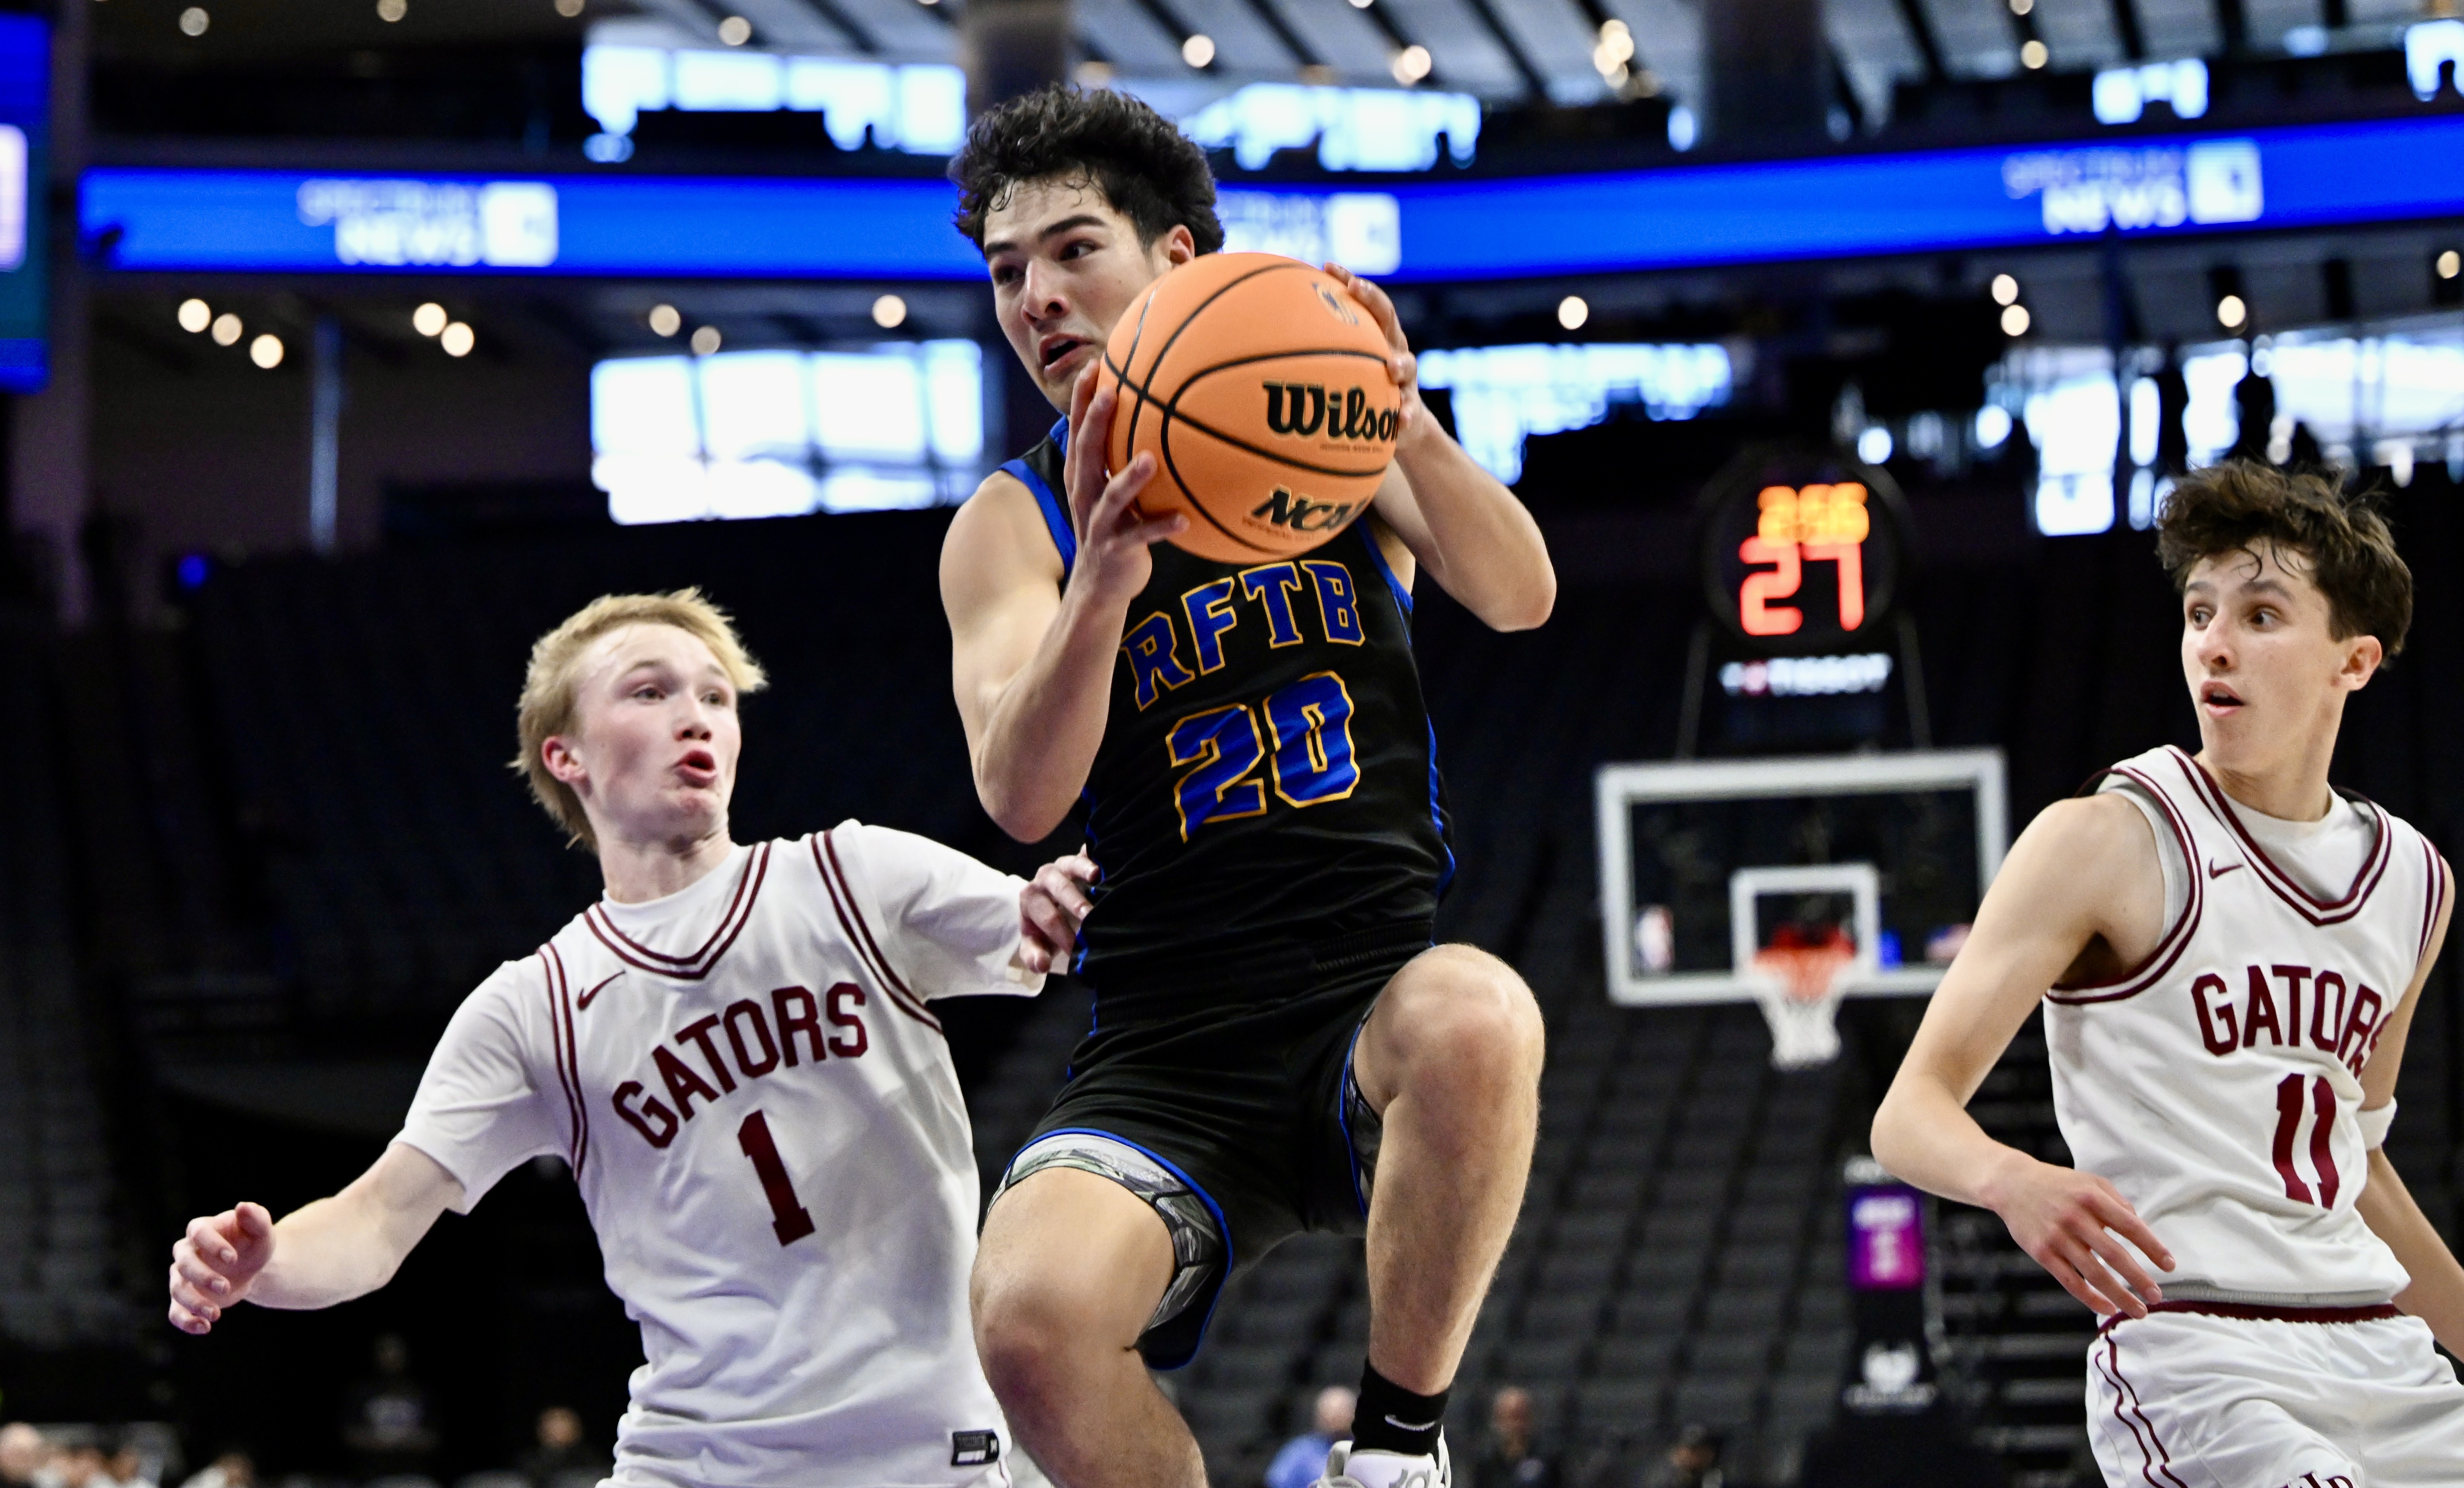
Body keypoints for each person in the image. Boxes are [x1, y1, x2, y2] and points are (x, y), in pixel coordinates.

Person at [940, 85, 1555, 1488]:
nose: (1034, 295)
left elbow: (1519, 596)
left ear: (1178, 260)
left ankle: (1397, 1452)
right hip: (1167, 1045)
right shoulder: (1009, 521)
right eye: (1003, 270)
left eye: (1070, 250)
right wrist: (1100, 587)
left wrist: (1405, 423)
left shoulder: (1329, 437)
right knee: (1029, 1318)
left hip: (1362, 1000)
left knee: (1479, 1011)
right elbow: (1020, 796)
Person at [166, 589, 1098, 1488]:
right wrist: (265, 1262)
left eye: (716, 696)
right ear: (563, 754)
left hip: (926, 1452)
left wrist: (1063, 899)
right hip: (692, 1460)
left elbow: (1056, 926)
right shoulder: (537, 1007)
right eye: (651, 691)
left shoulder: (855, 877)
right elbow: (374, 1222)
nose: (694, 716)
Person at [1871, 463, 2464, 1484]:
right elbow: (1907, 1114)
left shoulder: (2413, 880)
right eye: (2199, 611)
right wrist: (2012, 1180)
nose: (2215, 643)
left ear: (2353, 661)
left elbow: (2353, 1159)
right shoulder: (2104, 839)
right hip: (2202, 1353)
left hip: (2381, 1349)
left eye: (2262, 613)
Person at [342, 1334, 437, 1480]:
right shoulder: (360, 1393)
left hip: (414, 1476)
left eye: (397, 1351)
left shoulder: (420, 1393)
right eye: (385, 1350)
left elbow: (433, 1436)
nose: (392, 1357)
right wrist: (379, 1441)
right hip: (371, 1476)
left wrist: (407, 1441)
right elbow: (349, 1434)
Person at [1266, 1388, 1356, 1488]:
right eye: (1329, 1412)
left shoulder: (1366, 1449)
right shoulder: (1300, 1450)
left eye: (1341, 1411)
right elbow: (1278, 1482)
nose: (1334, 1418)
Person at [1467, 1388, 1555, 1488]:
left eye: (1522, 1416)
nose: (1517, 1425)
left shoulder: (1549, 1460)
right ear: (1497, 1421)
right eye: (1511, 1417)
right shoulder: (1486, 1464)